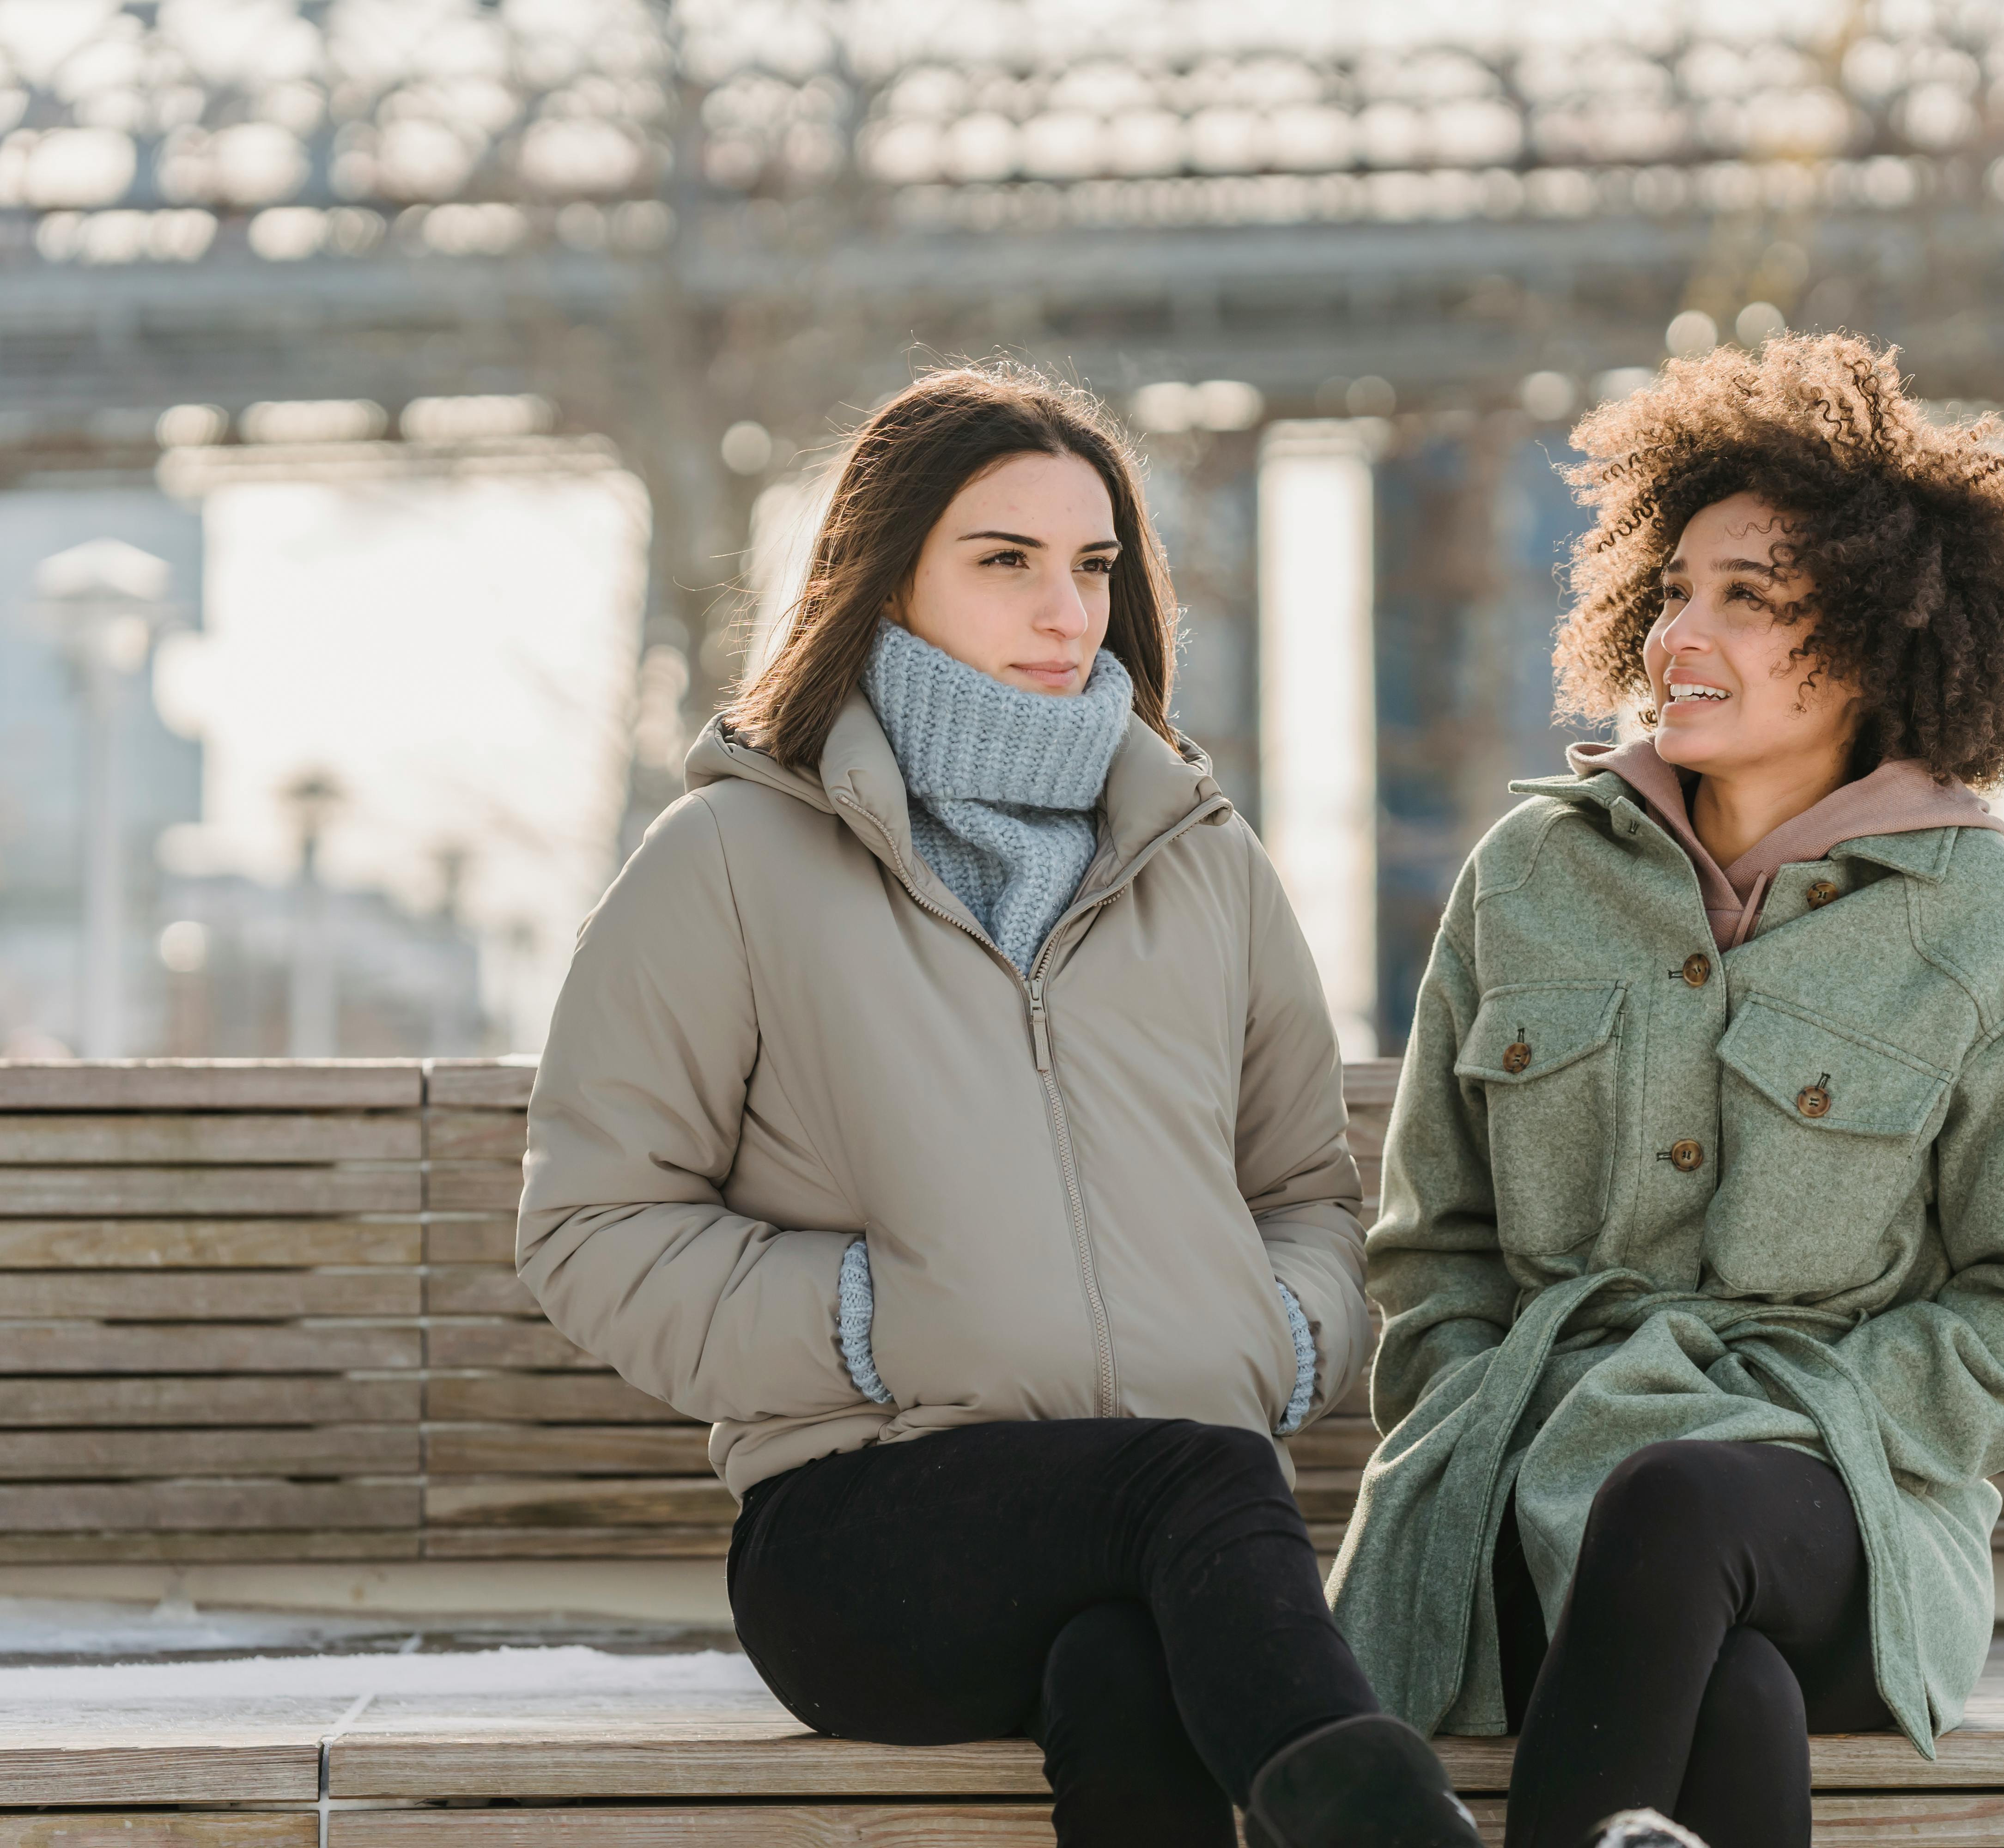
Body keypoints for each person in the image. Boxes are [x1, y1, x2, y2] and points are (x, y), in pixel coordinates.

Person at [518, 364, 1480, 1848]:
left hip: (1177, 1542)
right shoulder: (730, 859)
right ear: (886, 579)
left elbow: (1306, 1193)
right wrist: (866, 1320)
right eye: (1006, 560)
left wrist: (1278, 1335)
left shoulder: (1205, 864)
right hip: (870, 1527)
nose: (1066, 612)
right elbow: (593, 1226)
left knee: (1133, 1672)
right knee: (1198, 1485)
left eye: (1095, 566)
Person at [1328, 333, 2004, 1848]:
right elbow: (1436, 1249)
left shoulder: (1988, 929)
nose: (1682, 631)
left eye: (1749, 599)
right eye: (1676, 586)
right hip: (1522, 1481)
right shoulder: (1532, 878)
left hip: (1837, 1505)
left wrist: (1800, 1413)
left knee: (1686, 1504)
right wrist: (1477, 1410)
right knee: (1736, 1701)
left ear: (1890, 642)